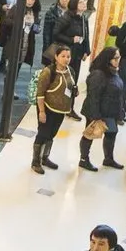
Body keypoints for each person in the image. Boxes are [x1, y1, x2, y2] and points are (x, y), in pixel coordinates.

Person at [78, 46, 126, 171]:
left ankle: (108, 159)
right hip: (97, 112)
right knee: (89, 135)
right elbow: (93, 97)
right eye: (115, 58)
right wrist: (96, 116)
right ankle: (84, 159)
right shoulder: (98, 74)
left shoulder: (113, 71)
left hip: (110, 112)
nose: (118, 60)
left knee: (112, 133)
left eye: (118, 58)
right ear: (107, 59)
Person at [30, 44, 77, 175]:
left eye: (68, 56)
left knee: (52, 134)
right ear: (56, 57)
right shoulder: (48, 72)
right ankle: (35, 161)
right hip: (47, 108)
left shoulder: (70, 71)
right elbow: (40, 93)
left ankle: (45, 157)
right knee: (43, 134)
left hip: (61, 109)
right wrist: (42, 111)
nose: (66, 59)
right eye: (63, 56)